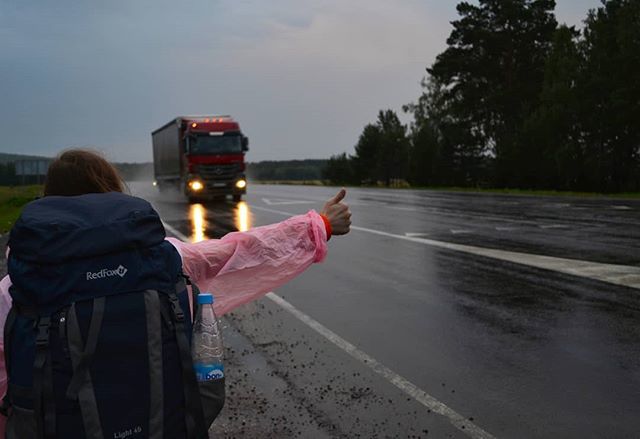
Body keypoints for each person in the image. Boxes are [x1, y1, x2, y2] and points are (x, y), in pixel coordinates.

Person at [0, 149, 352, 437]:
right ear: (111, 189)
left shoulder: (17, 286)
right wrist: (318, 226)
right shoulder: (164, 258)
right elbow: (240, 250)